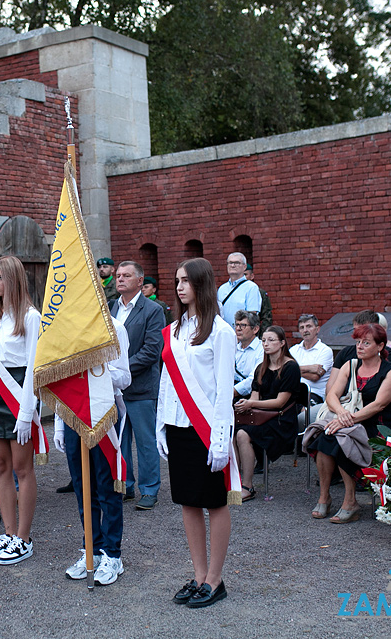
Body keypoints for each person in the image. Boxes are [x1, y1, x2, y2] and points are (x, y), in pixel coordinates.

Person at [156, 257, 236, 609]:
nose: (179, 287)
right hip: (177, 425)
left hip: (206, 429)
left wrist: (221, 439)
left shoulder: (221, 331)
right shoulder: (174, 330)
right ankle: (199, 574)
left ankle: (216, 579)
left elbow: (223, 392)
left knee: (215, 503)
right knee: (188, 501)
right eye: (177, 281)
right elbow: (166, 383)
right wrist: (161, 423)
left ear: (201, 284)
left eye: (186, 281)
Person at [0, 256, 43, 565]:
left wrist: (27, 412)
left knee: (22, 468)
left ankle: (24, 538)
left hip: (18, 394)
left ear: (13, 280)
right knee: (0, 467)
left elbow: (33, 370)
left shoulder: (29, 317)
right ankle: (9, 531)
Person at [54, 316, 130, 585]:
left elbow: (125, 376)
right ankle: (92, 549)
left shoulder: (114, 326)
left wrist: (94, 373)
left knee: (106, 485)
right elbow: (59, 379)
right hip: (73, 414)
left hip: (103, 413)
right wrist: (59, 427)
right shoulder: (66, 326)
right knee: (82, 486)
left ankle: (112, 554)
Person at [306, 324, 391, 522]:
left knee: (340, 439)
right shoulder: (350, 365)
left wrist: (345, 422)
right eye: (358, 342)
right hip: (349, 420)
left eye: (366, 342)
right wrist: (341, 414)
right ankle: (324, 496)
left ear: (380, 346)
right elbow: (331, 394)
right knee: (327, 437)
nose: (360, 346)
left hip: (378, 426)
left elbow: (379, 405)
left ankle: (350, 501)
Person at [109, 260, 165, 509]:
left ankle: (149, 489)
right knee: (119, 441)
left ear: (140, 281)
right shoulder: (111, 308)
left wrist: (122, 370)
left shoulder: (153, 310)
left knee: (145, 441)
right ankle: (125, 485)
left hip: (141, 387)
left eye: (126, 275)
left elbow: (152, 351)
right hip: (114, 388)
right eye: (118, 275)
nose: (120, 279)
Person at [233, 326, 301, 500]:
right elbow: (255, 396)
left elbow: (280, 402)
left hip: (281, 419)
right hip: (261, 416)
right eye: (263, 340)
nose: (266, 343)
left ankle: (247, 486)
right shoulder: (261, 368)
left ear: (282, 343)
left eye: (271, 340)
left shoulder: (290, 367)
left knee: (242, 434)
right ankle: (234, 483)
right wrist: (246, 405)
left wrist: (251, 403)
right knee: (231, 430)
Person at [328, 311, 391, 393]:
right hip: (344, 403)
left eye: (363, 331)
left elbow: (382, 400)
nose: (358, 335)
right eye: (355, 330)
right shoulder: (345, 354)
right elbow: (331, 389)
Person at [289, 313, 333, 422]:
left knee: (299, 416)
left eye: (309, 326)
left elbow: (315, 377)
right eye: (302, 327)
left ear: (317, 329)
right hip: (293, 391)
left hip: (314, 394)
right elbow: (284, 371)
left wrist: (294, 370)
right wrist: (310, 367)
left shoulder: (325, 351)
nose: (305, 330)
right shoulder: (294, 350)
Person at [216, 252, 260, 328]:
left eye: (237, 263)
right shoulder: (222, 289)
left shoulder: (251, 287)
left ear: (244, 266)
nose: (232, 265)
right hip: (224, 334)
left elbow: (252, 316)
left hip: (241, 335)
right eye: (230, 263)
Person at [233, 311, 263, 400]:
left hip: (252, 398)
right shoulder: (232, 348)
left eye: (243, 325)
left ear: (255, 329)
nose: (238, 328)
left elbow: (253, 379)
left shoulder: (262, 349)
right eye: (237, 325)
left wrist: (232, 392)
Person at [243, 265, 271, 332]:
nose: (243, 277)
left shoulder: (260, 293)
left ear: (252, 276)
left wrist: (262, 335)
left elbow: (266, 317)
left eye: (245, 274)